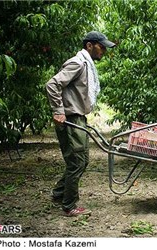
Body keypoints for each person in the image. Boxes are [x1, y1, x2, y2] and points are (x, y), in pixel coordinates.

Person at [46, 31, 116, 216]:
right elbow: (52, 85)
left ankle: (59, 194)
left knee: (82, 161)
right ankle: (69, 206)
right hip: (70, 118)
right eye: (101, 47)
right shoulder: (78, 63)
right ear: (89, 45)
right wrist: (58, 111)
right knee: (76, 162)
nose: (104, 51)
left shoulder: (87, 65)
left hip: (79, 118)